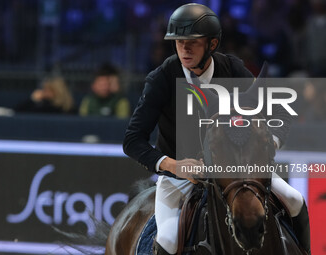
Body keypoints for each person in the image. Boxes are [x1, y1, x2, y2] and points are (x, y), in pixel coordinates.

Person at [123, 3, 310, 255]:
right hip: (182, 177)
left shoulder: (232, 69)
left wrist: (269, 143)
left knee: (295, 200)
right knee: (167, 239)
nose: (184, 50)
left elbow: (280, 110)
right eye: (179, 42)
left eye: (193, 43)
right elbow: (133, 140)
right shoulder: (162, 79)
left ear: (211, 44)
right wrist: (172, 165)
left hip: (238, 165)